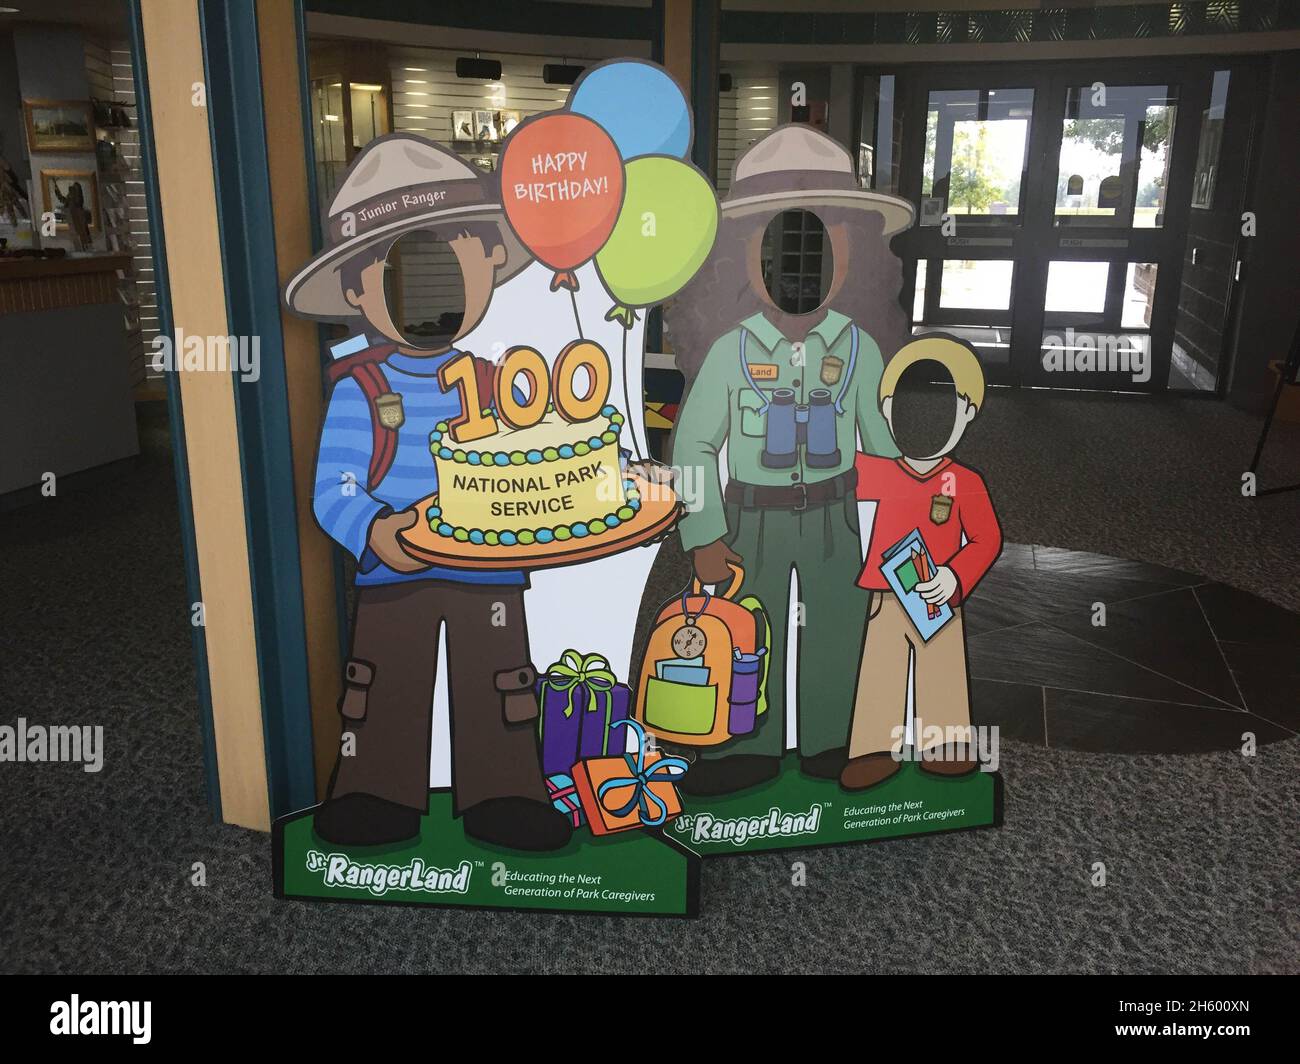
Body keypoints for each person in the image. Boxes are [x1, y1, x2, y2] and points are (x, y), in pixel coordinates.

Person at [283, 133, 573, 850]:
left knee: (501, 684)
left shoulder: (498, 383)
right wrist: (377, 532)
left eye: (452, 257)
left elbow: (528, 462)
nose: (432, 281)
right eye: (402, 267)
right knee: (384, 682)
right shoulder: (361, 389)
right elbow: (336, 490)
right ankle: (375, 790)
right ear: (355, 289)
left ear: (492, 260)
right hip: (393, 577)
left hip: (490, 570)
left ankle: (506, 791)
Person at [665, 125, 914, 794]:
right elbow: (693, 445)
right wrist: (705, 534)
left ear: (851, 251)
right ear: (744, 259)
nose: (798, 266)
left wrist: (904, 519)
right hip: (753, 518)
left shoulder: (858, 347)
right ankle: (746, 747)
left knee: (838, 621)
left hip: (835, 516)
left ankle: (835, 739)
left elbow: (878, 440)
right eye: (776, 245)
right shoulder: (732, 353)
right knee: (751, 624)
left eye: (819, 242)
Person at [841, 335, 1003, 791]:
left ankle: (946, 744)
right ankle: (873, 748)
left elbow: (986, 538)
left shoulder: (965, 481)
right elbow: (836, 470)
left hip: (940, 595)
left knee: (942, 666)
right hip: (887, 593)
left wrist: (954, 575)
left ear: (966, 413)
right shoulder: (876, 471)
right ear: (888, 410)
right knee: (880, 666)